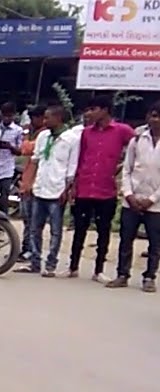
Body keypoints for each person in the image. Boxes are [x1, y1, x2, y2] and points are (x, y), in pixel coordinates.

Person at [68, 95, 135, 281]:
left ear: (105, 110)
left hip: (106, 189)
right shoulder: (87, 133)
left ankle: (99, 269)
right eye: (88, 110)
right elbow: (81, 158)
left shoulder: (122, 130)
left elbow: (137, 146)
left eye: (93, 109)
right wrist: (74, 185)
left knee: (103, 231)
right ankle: (73, 266)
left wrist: (123, 165)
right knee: (79, 229)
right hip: (85, 186)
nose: (89, 113)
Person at [17, 105, 78, 277]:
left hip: (57, 189)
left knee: (56, 230)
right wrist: (28, 184)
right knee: (35, 227)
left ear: (58, 118)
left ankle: (51, 264)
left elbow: (71, 168)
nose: (44, 121)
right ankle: (35, 262)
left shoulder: (71, 139)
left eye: (47, 118)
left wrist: (67, 189)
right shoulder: (43, 136)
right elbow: (36, 161)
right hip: (40, 187)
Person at [109, 100, 160, 292]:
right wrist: (128, 194)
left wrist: (152, 199)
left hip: (155, 204)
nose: (154, 120)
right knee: (126, 239)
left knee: (155, 243)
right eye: (152, 115)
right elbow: (127, 170)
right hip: (132, 200)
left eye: (158, 116)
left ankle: (149, 277)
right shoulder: (137, 140)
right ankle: (122, 274)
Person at [17, 105, 47, 262]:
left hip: (35, 182)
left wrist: (26, 134)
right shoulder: (37, 133)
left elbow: (26, 148)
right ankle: (26, 248)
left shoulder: (43, 135)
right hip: (27, 179)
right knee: (27, 220)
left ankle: (31, 251)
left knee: (33, 221)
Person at [0, 102, 24, 216]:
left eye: (9, 116)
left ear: (14, 115)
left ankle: (3, 221)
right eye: (4, 115)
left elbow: (20, 151)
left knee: (4, 197)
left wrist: (10, 147)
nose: (7, 118)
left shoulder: (18, 131)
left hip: (7, 168)